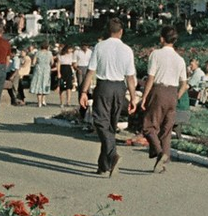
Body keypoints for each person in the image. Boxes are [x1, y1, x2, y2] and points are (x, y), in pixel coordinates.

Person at [79, 17, 138, 177]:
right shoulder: (127, 50)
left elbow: (91, 71)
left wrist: (84, 92)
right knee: (111, 124)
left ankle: (112, 155)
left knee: (100, 122)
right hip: (120, 88)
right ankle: (103, 165)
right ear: (121, 32)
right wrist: (133, 98)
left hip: (104, 86)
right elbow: (130, 77)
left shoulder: (100, 46)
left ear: (107, 31)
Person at [140, 26, 188, 174]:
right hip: (173, 92)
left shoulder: (156, 54)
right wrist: (177, 96)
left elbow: (151, 78)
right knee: (166, 131)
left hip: (159, 91)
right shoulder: (180, 59)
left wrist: (144, 97)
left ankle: (160, 153)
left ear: (162, 38)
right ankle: (162, 164)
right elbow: (184, 84)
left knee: (149, 126)